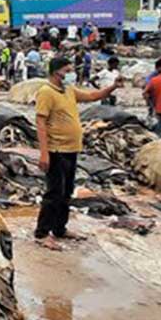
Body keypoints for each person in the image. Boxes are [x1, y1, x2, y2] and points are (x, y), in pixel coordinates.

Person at [35, 56, 122, 250]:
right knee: (54, 193)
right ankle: (41, 233)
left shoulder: (69, 90)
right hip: (56, 149)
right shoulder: (46, 92)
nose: (70, 74)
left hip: (72, 149)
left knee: (66, 192)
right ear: (56, 71)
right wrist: (43, 153)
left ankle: (60, 228)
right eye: (67, 71)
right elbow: (40, 123)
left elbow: (92, 96)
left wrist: (112, 87)